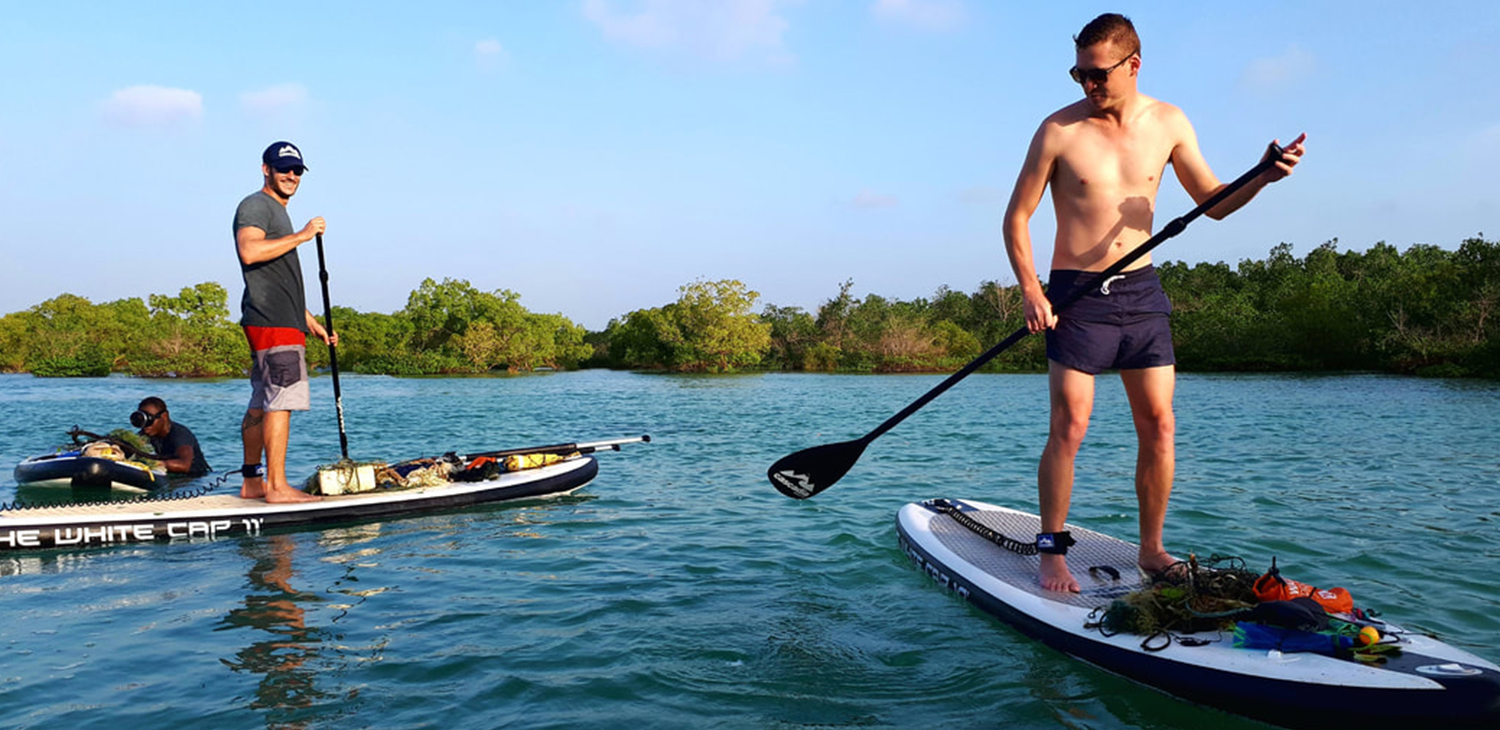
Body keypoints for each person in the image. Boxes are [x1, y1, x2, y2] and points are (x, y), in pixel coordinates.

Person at [1001, 13, 1305, 592]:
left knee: (1160, 427)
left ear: (1132, 64)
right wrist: (1031, 290)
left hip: (1142, 294)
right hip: (1077, 295)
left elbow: (1214, 202)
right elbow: (1017, 217)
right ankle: (1051, 551)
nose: (1086, 86)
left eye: (1096, 74)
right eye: (1078, 74)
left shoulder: (1168, 122)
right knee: (1070, 427)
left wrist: (1263, 176)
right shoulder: (1058, 131)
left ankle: (1151, 549)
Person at [232, 141, 335, 503]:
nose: (290, 176)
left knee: (262, 399)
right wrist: (303, 236)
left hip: (276, 319)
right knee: (281, 399)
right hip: (272, 323)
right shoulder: (257, 205)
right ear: (266, 169)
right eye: (282, 169)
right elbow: (249, 250)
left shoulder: (275, 211)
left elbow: (277, 279)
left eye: (296, 171)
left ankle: (252, 482)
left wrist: (310, 322)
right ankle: (276, 487)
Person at [132, 396, 212, 477]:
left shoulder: (180, 434)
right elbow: (132, 448)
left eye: (150, 420)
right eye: (142, 421)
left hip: (196, 479)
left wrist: (155, 464)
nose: (145, 427)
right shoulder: (148, 432)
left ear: (164, 416)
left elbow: (185, 465)